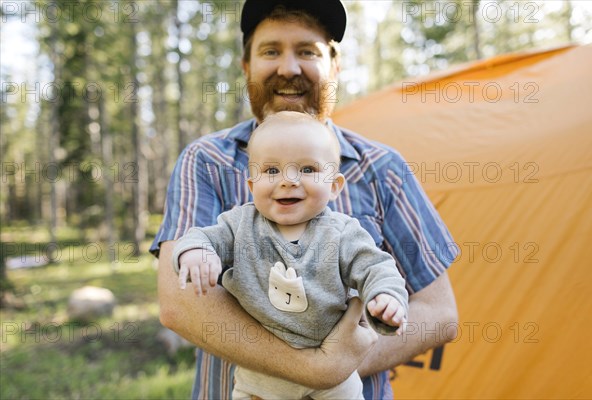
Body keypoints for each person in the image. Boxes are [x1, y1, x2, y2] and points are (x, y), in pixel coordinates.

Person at [152, 0, 460, 398]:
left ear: (335, 67)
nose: (289, 67)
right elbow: (181, 303)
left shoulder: (383, 168)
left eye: (307, 51)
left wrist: (339, 369)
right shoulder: (206, 161)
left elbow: (439, 314)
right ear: (246, 67)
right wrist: (314, 369)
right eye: (270, 51)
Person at [172, 111, 409, 399]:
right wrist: (198, 251)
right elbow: (200, 236)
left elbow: (375, 267)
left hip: (335, 380)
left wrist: (385, 296)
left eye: (308, 169)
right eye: (271, 171)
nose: (288, 180)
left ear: (334, 186)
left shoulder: (343, 233)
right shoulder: (239, 225)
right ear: (252, 186)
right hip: (262, 373)